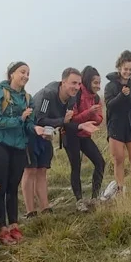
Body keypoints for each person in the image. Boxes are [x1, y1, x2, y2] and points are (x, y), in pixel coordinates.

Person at [0, 61, 35, 244]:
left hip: (19, 146)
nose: (26, 76)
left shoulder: (27, 98)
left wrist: (35, 129)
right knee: (0, 186)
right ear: (12, 74)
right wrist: (20, 118)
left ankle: (14, 225)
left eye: (28, 73)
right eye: (22, 72)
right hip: (0, 144)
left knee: (13, 187)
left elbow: (29, 122)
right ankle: (2, 228)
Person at [26, 67, 85, 216]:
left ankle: (45, 208)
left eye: (79, 84)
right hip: (31, 133)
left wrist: (79, 126)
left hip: (47, 135)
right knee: (30, 170)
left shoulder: (72, 98)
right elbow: (40, 119)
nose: (77, 87)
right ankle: (30, 211)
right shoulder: (48, 94)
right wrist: (61, 121)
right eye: (73, 83)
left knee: (42, 170)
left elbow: (65, 121)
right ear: (63, 82)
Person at [103, 50, 131, 199]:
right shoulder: (110, 87)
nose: (127, 72)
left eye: (130, 69)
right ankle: (120, 190)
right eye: (125, 69)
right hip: (116, 128)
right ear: (119, 68)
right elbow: (109, 105)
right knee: (118, 159)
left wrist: (129, 98)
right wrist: (122, 95)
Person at [66, 65, 107, 210]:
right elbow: (72, 120)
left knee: (100, 162)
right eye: (95, 83)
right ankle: (79, 201)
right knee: (76, 166)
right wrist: (89, 112)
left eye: (99, 83)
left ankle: (95, 197)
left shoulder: (96, 98)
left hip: (84, 135)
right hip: (71, 134)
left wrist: (93, 114)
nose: (98, 86)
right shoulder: (76, 94)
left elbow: (99, 120)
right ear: (88, 81)